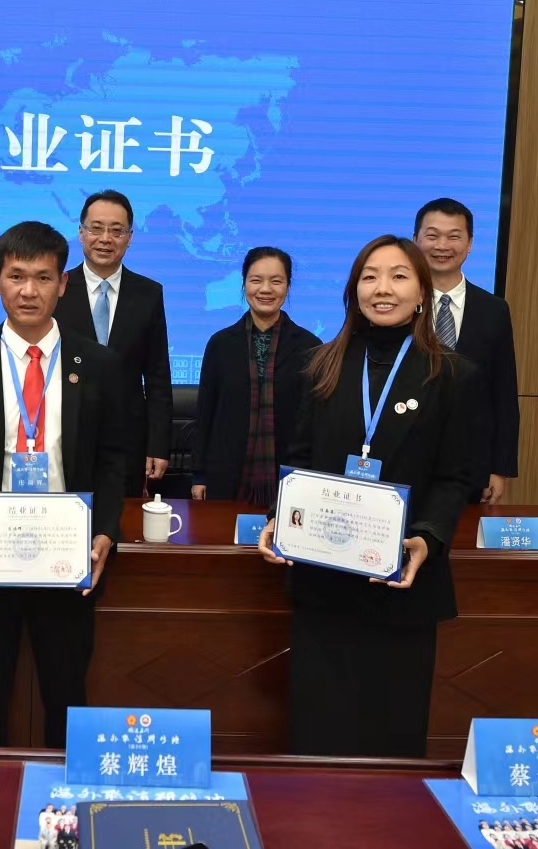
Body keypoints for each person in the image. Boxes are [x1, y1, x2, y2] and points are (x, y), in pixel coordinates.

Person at [259, 234, 480, 757]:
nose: (383, 289)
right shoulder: (320, 366)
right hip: (325, 578)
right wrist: (279, 518)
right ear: (353, 290)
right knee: (319, 724)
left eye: (399, 276)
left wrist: (428, 538)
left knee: (391, 730)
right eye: (370, 276)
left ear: (422, 293)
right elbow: (299, 459)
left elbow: (455, 477)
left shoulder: (453, 375)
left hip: (401, 579)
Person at [0, 221, 128, 747]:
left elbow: (113, 457)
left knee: (67, 697)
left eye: (42, 277)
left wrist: (105, 530)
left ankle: (67, 795)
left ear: (63, 283)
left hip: (66, 552)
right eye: (17, 277)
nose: (29, 291)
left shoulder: (98, 364)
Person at [57, 190, 173, 497]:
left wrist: (158, 444)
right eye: (96, 228)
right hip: (65, 435)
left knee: (122, 520)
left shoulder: (149, 294)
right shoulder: (57, 288)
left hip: (127, 440)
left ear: (129, 237)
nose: (105, 239)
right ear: (81, 233)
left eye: (116, 230)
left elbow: (158, 377)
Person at [189, 247, 321, 505]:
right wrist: (199, 475)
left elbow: (315, 424)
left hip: (290, 479)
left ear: (288, 286)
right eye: (256, 280)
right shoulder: (220, 344)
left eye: (276, 281)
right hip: (225, 474)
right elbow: (205, 415)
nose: (265, 289)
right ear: (244, 284)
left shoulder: (310, 347)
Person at [414, 198, 519, 504]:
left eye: (454, 236)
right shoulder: (397, 305)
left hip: (470, 464)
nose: (442, 245)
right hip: (403, 458)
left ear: (470, 243)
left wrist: (500, 468)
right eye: (432, 235)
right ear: (415, 239)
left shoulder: (494, 310)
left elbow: (503, 392)